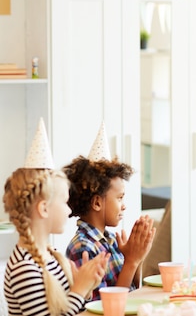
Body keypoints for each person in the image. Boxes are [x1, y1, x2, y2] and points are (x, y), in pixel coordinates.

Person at [3, 118, 109, 316]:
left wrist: (85, 287)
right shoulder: (24, 268)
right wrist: (79, 289)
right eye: (64, 202)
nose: (69, 210)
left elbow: (64, 309)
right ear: (43, 209)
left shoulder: (51, 256)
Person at [64, 123, 155, 300]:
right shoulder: (83, 247)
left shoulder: (111, 240)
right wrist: (131, 262)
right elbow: (106, 306)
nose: (124, 205)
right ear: (97, 202)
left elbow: (132, 292)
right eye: (119, 198)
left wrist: (137, 258)